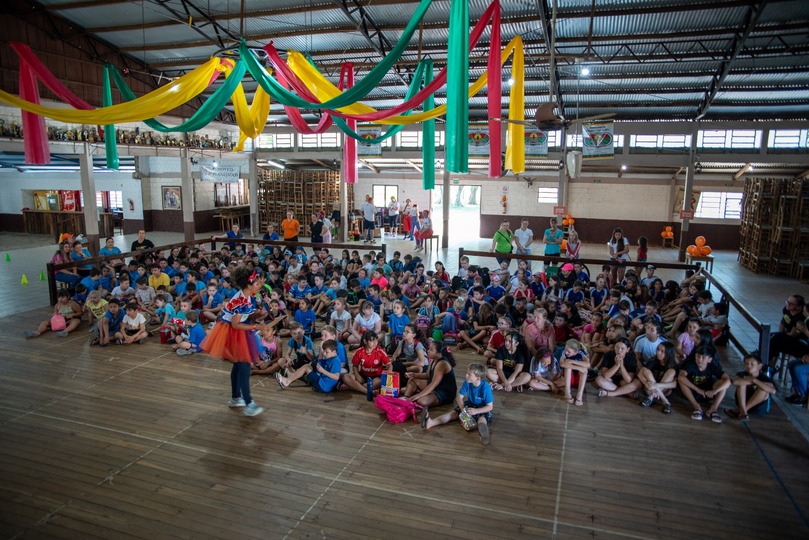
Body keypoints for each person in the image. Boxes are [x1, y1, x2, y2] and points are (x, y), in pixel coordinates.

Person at [201, 266, 266, 417]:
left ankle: (236, 398)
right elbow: (235, 324)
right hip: (232, 332)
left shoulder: (250, 296)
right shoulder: (241, 300)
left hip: (240, 330)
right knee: (244, 366)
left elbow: (244, 318)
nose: (260, 286)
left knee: (239, 365)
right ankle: (249, 403)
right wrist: (257, 326)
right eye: (258, 283)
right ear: (248, 284)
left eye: (261, 283)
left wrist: (256, 315)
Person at [422, 362, 493, 445]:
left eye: (469, 374)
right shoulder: (467, 382)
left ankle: (483, 434)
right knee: (452, 414)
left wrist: (476, 411)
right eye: (467, 373)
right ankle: (431, 423)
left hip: (482, 408)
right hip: (470, 404)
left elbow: (489, 407)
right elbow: (459, 397)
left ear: (477, 378)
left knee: (482, 420)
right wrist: (463, 409)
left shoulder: (486, 388)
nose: (466, 375)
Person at [677, 344, 730, 423]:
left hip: (708, 393)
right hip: (692, 393)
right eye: (698, 356)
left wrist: (714, 391)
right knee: (681, 381)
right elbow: (681, 377)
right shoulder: (691, 365)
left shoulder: (712, 367)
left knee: (723, 383)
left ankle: (713, 409)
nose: (700, 359)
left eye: (703, 357)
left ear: (709, 359)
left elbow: (728, 380)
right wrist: (697, 389)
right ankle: (696, 407)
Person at [403, 339, 457, 409]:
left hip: (444, 391)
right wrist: (413, 374)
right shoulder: (432, 360)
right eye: (429, 348)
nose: (428, 351)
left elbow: (433, 384)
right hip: (434, 387)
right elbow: (427, 375)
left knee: (421, 401)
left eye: (431, 350)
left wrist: (419, 395)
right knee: (412, 380)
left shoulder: (442, 363)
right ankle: (405, 398)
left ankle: (417, 394)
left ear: (439, 353)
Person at [276, 339, 342, 393]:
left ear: (334, 352)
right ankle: (291, 376)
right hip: (323, 382)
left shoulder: (335, 361)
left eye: (327, 352)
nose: (324, 353)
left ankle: (287, 381)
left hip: (324, 386)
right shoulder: (330, 357)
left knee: (306, 367)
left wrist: (323, 371)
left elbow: (336, 377)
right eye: (324, 351)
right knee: (308, 365)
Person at [725, 354, 776, 421]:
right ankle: (743, 411)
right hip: (742, 402)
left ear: (759, 366)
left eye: (752, 364)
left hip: (759, 407)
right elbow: (735, 382)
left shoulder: (764, 378)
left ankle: (743, 411)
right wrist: (757, 382)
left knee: (763, 389)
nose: (749, 366)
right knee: (742, 384)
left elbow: (773, 391)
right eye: (746, 364)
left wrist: (754, 380)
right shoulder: (742, 374)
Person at [343, 331, 392, 398]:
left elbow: (389, 364)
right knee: (346, 377)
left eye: (376, 340)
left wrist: (389, 373)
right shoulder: (359, 351)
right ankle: (368, 391)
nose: (375, 342)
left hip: (376, 377)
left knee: (380, 381)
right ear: (365, 341)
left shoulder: (380, 351)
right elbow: (355, 366)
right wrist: (357, 376)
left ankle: (352, 387)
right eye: (372, 340)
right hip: (363, 375)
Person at [637, 341, 678, 413]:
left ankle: (651, 398)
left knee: (671, 371)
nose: (659, 352)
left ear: (669, 353)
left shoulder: (674, 365)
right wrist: (647, 383)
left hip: (664, 390)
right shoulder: (653, 360)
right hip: (650, 389)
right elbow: (640, 374)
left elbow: (674, 384)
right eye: (658, 349)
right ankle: (665, 401)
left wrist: (656, 385)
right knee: (645, 370)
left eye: (662, 351)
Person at [768, 295, 808, 368]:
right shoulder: (786, 309)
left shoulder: (801, 318)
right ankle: (765, 359)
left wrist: (804, 330)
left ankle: (766, 362)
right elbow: (782, 322)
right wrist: (779, 333)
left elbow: (792, 335)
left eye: (791, 304)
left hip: (800, 343)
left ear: (799, 307)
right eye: (787, 302)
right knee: (769, 336)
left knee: (777, 338)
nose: (788, 304)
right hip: (788, 337)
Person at [560, 339, 590, 406]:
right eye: (566, 350)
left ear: (576, 352)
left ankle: (579, 395)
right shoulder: (564, 352)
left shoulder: (581, 353)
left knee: (585, 369)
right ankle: (567, 393)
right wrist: (579, 368)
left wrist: (571, 361)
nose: (566, 352)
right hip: (569, 379)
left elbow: (588, 364)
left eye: (569, 352)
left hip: (579, 380)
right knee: (567, 367)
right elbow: (562, 364)